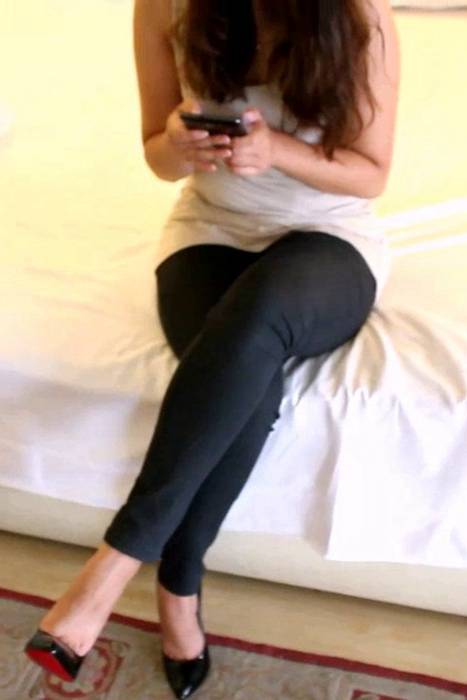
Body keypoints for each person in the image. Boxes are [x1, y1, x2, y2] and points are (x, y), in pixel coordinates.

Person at [24, 0, 400, 697]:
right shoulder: (162, 5)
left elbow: (371, 173)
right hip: (211, 230)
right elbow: (156, 155)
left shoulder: (358, 14)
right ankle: (178, 582)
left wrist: (276, 151)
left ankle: (109, 571)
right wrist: (179, 145)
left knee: (257, 316)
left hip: (327, 237)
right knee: (244, 379)